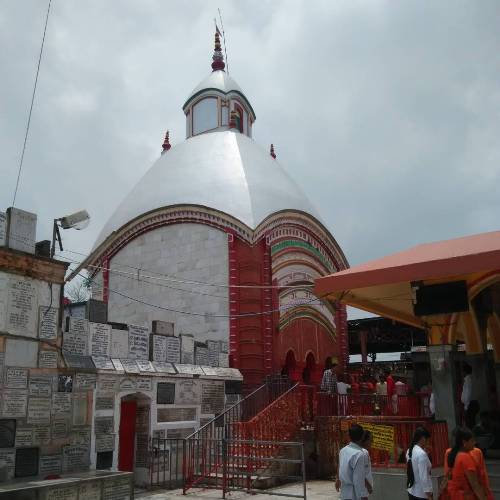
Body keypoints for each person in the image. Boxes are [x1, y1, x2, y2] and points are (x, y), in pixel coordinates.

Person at [440, 427, 492, 500]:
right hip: (464, 496)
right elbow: (475, 485)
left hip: (454, 495)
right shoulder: (465, 457)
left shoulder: (452, 454)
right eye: (472, 441)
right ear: (464, 442)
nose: (474, 443)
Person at [337, 424, 370, 500]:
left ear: (349, 436)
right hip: (355, 493)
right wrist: (363, 496)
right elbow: (358, 479)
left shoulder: (343, 450)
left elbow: (340, 468)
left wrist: (337, 479)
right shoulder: (359, 454)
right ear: (362, 437)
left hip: (344, 492)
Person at [406, 426, 433, 500]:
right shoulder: (421, 454)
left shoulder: (409, 450)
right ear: (423, 438)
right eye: (427, 440)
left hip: (412, 491)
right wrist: (429, 496)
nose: (428, 442)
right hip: (422, 494)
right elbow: (424, 477)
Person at [462, 364, 480, 429]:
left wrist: (466, 407)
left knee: (469, 424)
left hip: (470, 404)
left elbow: (468, 394)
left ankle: (471, 438)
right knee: (472, 423)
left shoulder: (468, 380)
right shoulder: (474, 378)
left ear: (464, 371)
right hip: (475, 403)